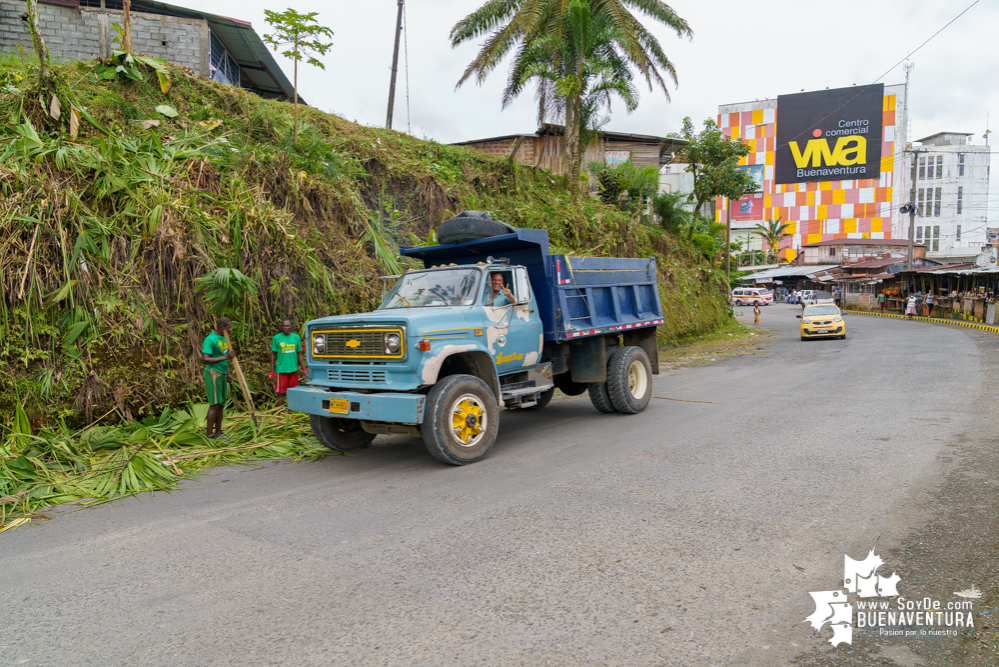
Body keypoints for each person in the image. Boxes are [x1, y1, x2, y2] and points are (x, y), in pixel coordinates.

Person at [201, 317, 236, 439]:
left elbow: (221, 355)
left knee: (221, 404)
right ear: (222, 328)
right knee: (214, 404)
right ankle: (209, 434)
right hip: (213, 373)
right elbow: (205, 359)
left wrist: (228, 373)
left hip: (222, 373)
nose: (231, 330)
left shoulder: (224, 338)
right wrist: (226, 357)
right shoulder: (210, 340)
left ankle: (218, 432)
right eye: (229, 327)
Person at [270, 318, 307, 407]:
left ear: (291, 326)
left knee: (293, 393)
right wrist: (272, 371)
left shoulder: (296, 337)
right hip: (281, 370)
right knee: (281, 394)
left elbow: (299, 354)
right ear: (281, 327)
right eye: (284, 326)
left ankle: (292, 413)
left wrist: (304, 368)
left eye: (287, 325)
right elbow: (273, 355)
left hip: (293, 369)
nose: (286, 327)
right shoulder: (276, 338)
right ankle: (280, 414)